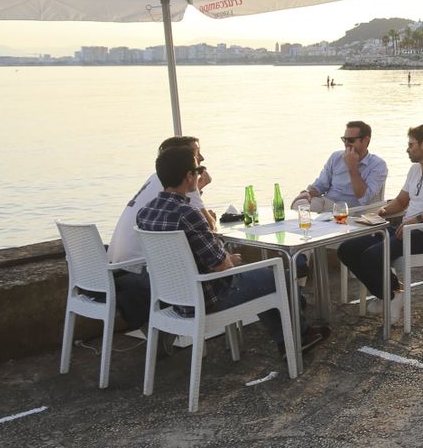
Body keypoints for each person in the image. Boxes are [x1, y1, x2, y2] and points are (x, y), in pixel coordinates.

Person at [135, 143, 315, 351]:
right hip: (209, 298)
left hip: (175, 299)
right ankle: (298, 338)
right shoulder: (188, 214)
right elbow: (221, 266)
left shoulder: (145, 213)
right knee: (281, 276)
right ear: (188, 176)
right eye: (198, 170)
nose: (200, 174)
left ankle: (289, 339)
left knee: (264, 278)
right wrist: (231, 259)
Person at [336, 124, 423, 326]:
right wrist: (381, 212)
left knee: (372, 255)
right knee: (347, 249)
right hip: (405, 228)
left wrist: (419, 219)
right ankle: (390, 294)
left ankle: (391, 295)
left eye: (411, 144)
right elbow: (401, 201)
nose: (408, 149)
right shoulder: (415, 170)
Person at [108, 135, 211, 328]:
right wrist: (198, 187)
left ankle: (162, 334)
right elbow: (209, 225)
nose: (202, 159)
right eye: (196, 154)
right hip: (144, 275)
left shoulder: (158, 177)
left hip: (117, 269)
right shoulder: (184, 177)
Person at [296, 120, 388, 211]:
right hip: (327, 204)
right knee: (300, 204)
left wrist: (352, 167)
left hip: (352, 211)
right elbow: (320, 185)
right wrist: (308, 193)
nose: (346, 144)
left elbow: (364, 198)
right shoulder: (336, 157)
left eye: (351, 140)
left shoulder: (378, 165)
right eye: (344, 139)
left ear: (365, 141)